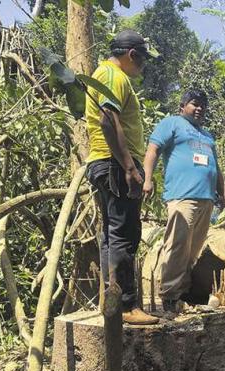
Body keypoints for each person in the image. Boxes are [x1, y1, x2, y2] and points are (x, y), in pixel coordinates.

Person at [85, 30, 159, 325]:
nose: (142, 66)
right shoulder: (114, 76)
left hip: (105, 163)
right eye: (142, 60)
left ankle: (112, 301)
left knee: (112, 234)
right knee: (124, 233)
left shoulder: (102, 74)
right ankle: (127, 305)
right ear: (132, 55)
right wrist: (129, 167)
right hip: (115, 165)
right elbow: (107, 119)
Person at [143, 90, 225, 314]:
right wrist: (147, 179)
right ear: (183, 106)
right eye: (194, 104)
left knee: (193, 249)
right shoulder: (172, 123)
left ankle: (184, 294)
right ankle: (169, 296)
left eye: (203, 106)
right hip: (182, 197)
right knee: (177, 245)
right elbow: (153, 150)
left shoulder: (207, 136)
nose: (199, 109)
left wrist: (222, 192)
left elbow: (215, 167)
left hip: (206, 198)